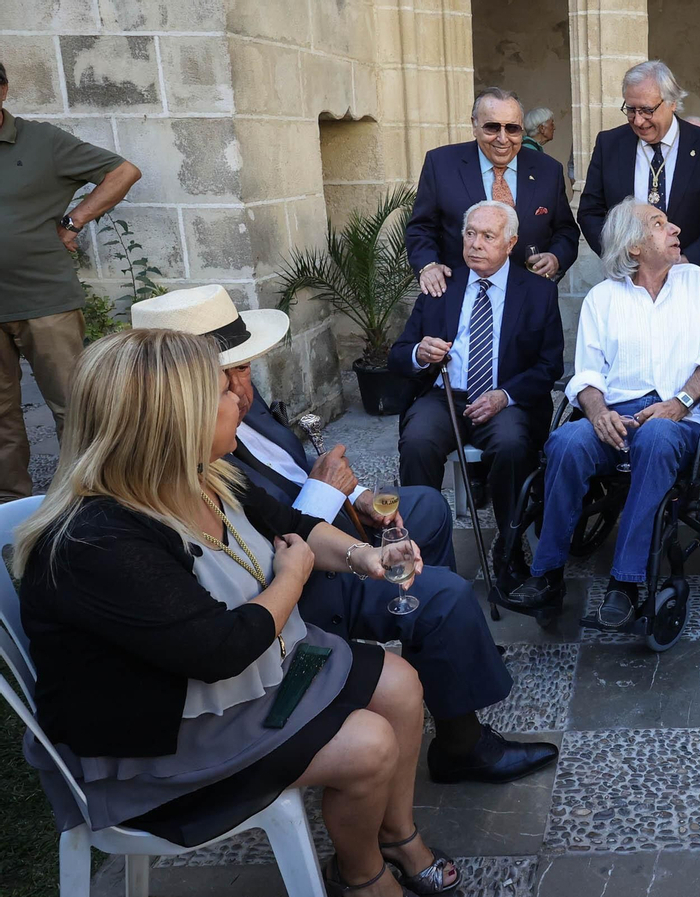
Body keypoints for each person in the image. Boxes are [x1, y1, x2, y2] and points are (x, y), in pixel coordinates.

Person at [15, 329, 461, 896]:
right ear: (172, 420)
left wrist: (366, 555)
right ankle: (363, 876)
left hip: (249, 680)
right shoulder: (97, 541)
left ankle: (396, 836)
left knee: (401, 686)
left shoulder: (207, 475)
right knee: (369, 745)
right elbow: (219, 650)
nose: (239, 400)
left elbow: (294, 527)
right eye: (222, 391)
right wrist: (293, 577)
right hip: (166, 737)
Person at [132, 286, 557, 786]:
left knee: (426, 508)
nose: (244, 389)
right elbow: (264, 551)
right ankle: (461, 739)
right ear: (194, 390)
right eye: (234, 375)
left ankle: (443, 660)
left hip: (313, 529)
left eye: (245, 369)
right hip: (287, 580)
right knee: (444, 596)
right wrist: (326, 498)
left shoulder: (234, 416)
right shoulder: (185, 471)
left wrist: (350, 501)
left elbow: (279, 490)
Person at [516, 199, 700, 627]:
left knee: (656, 437)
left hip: (682, 420)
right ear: (635, 247)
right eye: (659, 224)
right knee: (564, 441)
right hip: (616, 419)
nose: (674, 229)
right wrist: (598, 412)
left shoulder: (696, 282)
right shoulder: (602, 298)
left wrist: (680, 403)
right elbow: (587, 373)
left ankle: (626, 579)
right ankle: (547, 574)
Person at [391, 201, 564, 596]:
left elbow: (549, 365)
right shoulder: (442, 288)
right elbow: (398, 354)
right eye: (470, 233)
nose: (476, 244)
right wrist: (420, 352)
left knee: (511, 443)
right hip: (445, 394)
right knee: (418, 440)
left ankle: (509, 545)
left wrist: (505, 395)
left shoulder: (537, 292)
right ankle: (426, 556)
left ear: (511, 242)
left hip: (506, 397)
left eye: (488, 236)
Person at [0, 59, 142, 503]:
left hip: (45, 299)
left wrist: (74, 220)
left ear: (2, 90)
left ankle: (85, 501)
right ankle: (10, 505)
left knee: (73, 407)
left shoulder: (43, 141)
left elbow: (123, 172)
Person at [407, 87, 579, 293]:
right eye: (492, 127)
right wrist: (428, 265)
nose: (503, 138)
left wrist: (555, 257)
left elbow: (566, 230)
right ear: (474, 125)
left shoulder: (548, 169)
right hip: (459, 294)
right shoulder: (441, 164)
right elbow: (421, 228)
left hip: (530, 298)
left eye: (513, 129)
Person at [577, 61, 700, 268]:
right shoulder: (610, 144)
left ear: (672, 103)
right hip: (627, 275)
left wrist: (688, 260)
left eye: (647, 110)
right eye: (631, 110)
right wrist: (622, 257)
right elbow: (590, 212)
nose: (638, 121)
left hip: (688, 274)